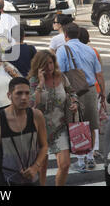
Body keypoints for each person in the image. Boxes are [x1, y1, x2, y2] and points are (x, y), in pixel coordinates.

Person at [0, 77, 48, 186]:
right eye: (19, 93)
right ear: (9, 95)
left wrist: (35, 167)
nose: (24, 97)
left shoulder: (36, 116)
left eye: (27, 93)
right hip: (7, 179)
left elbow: (44, 146)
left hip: (32, 178)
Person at [56, 23, 106, 172]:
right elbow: (98, 73)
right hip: (90, 90)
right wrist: (102, 92)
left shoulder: (62, 50)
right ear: (78, 34)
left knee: (76, 124)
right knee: (91, 124)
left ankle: (80, 160)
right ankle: (90, 157)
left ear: (65, 35)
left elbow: (60, 73)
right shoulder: (90, 50)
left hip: (72, 92)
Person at [28, 50, 80, 186]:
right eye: (45, 65)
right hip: (40, 129)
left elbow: (72, 92)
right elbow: (33, 103)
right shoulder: (33, 81)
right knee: (42, 167)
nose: (49, 67)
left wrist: (74, 102)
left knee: (65, 164)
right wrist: (40, 83)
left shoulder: (61, 77)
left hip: (59, 127)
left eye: (51, 63)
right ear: (38, 66)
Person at [78, 27, 104, 159]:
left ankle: (83, 152)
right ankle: (94, 149)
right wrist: (103, 93)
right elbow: (99, 74)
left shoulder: (72, 51)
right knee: (94, 122)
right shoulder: (93, 51)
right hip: (95, 90)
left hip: (78, 91)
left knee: (81, 122)